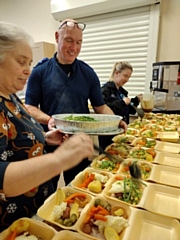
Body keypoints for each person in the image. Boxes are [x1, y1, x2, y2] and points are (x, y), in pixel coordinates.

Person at [0, 21, 94, 232]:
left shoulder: (12, 97)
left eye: (29, 63)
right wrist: (59, 159)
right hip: (12, 224)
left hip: (36, 212)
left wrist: (45, 137)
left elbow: (16, 140)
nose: (28, 71)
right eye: (21, 62)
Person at [25, 18, 127, 185]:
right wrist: (50, 119)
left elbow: (100, 107)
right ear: (57, 37)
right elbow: (30, 107)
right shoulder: (40, 72)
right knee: (47, 190)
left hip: (79, 143)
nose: (74, 48)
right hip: (50, 141)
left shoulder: (88, 73)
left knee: (79, 187)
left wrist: (117, 120)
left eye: (79, 42)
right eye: (69, 40)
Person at [98, 61, 142, 150]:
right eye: (125, 76)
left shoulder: (122, 92)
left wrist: (136, 100)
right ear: (117, 73)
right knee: (108, 156)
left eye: (129, 77)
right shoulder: (104, 90)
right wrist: (122, 102)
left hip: (121, 130)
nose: (127, 80)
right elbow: (104, 109)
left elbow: (129, 110)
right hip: (108, 133)